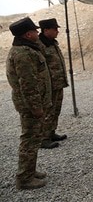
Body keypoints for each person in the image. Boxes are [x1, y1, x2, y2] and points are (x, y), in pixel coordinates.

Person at [6, 17, 51, 190]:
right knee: (30, 140)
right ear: (27, 34)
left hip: (32, 103)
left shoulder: (27, 49)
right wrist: (36, 107)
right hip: (30, 105)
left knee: (33, 138)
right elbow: (28, 84)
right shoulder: (23, 54)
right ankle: (24, 178)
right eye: (35, 31)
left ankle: (29, 171)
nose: (38, 33)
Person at [38, 18, 69, 149]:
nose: (57, 31)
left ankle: (51, 132)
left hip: (57, 83)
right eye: (55, 29)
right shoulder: (39, 45)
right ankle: (43, 138)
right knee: (47, 111)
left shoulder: (52, 43)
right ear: (46, 30)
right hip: (48, 85)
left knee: (56, 110)